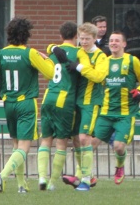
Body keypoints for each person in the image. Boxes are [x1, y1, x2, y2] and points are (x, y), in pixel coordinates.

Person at [0, 18, 57, 194]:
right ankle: (2, 175)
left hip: (8, 103)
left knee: (16, 145)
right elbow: (51, 73)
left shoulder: (0, 54)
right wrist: (46, 59)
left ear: (9, 34)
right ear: (27, 35)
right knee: (25, 146)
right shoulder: (30, 53)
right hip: (26, 103)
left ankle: (22, 185)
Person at [37, 21, 94, 191]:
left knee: (45, 139)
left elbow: (48, 50)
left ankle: (41, 177)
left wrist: (52, 47)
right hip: (65, 100)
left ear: (60, 36)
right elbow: (87, 69)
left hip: (48, 98)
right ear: (76, 36)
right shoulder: (79, 52)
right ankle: (52, 182)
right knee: (61, 143)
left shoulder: (54, 52)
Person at [90, 31, 140, 185]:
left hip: (125, 113)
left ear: (124, 44)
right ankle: (87, 175)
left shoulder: (132, 60)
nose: (113, 43)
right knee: (90, 144)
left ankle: (120, 166)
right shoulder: (104, 62)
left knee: (118, 146)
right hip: (105, 112)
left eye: (117, 41)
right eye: (111, 41)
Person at [61, 22, 109, 191]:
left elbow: (98, 76)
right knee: (75, 139)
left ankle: (86, 180)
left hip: (91, 102)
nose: (84, 41)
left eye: (87, 39)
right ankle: (82, 175)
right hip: (76, 101)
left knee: (84, 138)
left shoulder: (101, 57)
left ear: (95, 39)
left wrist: (80, 67)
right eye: (81, 38)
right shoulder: (79, 52)